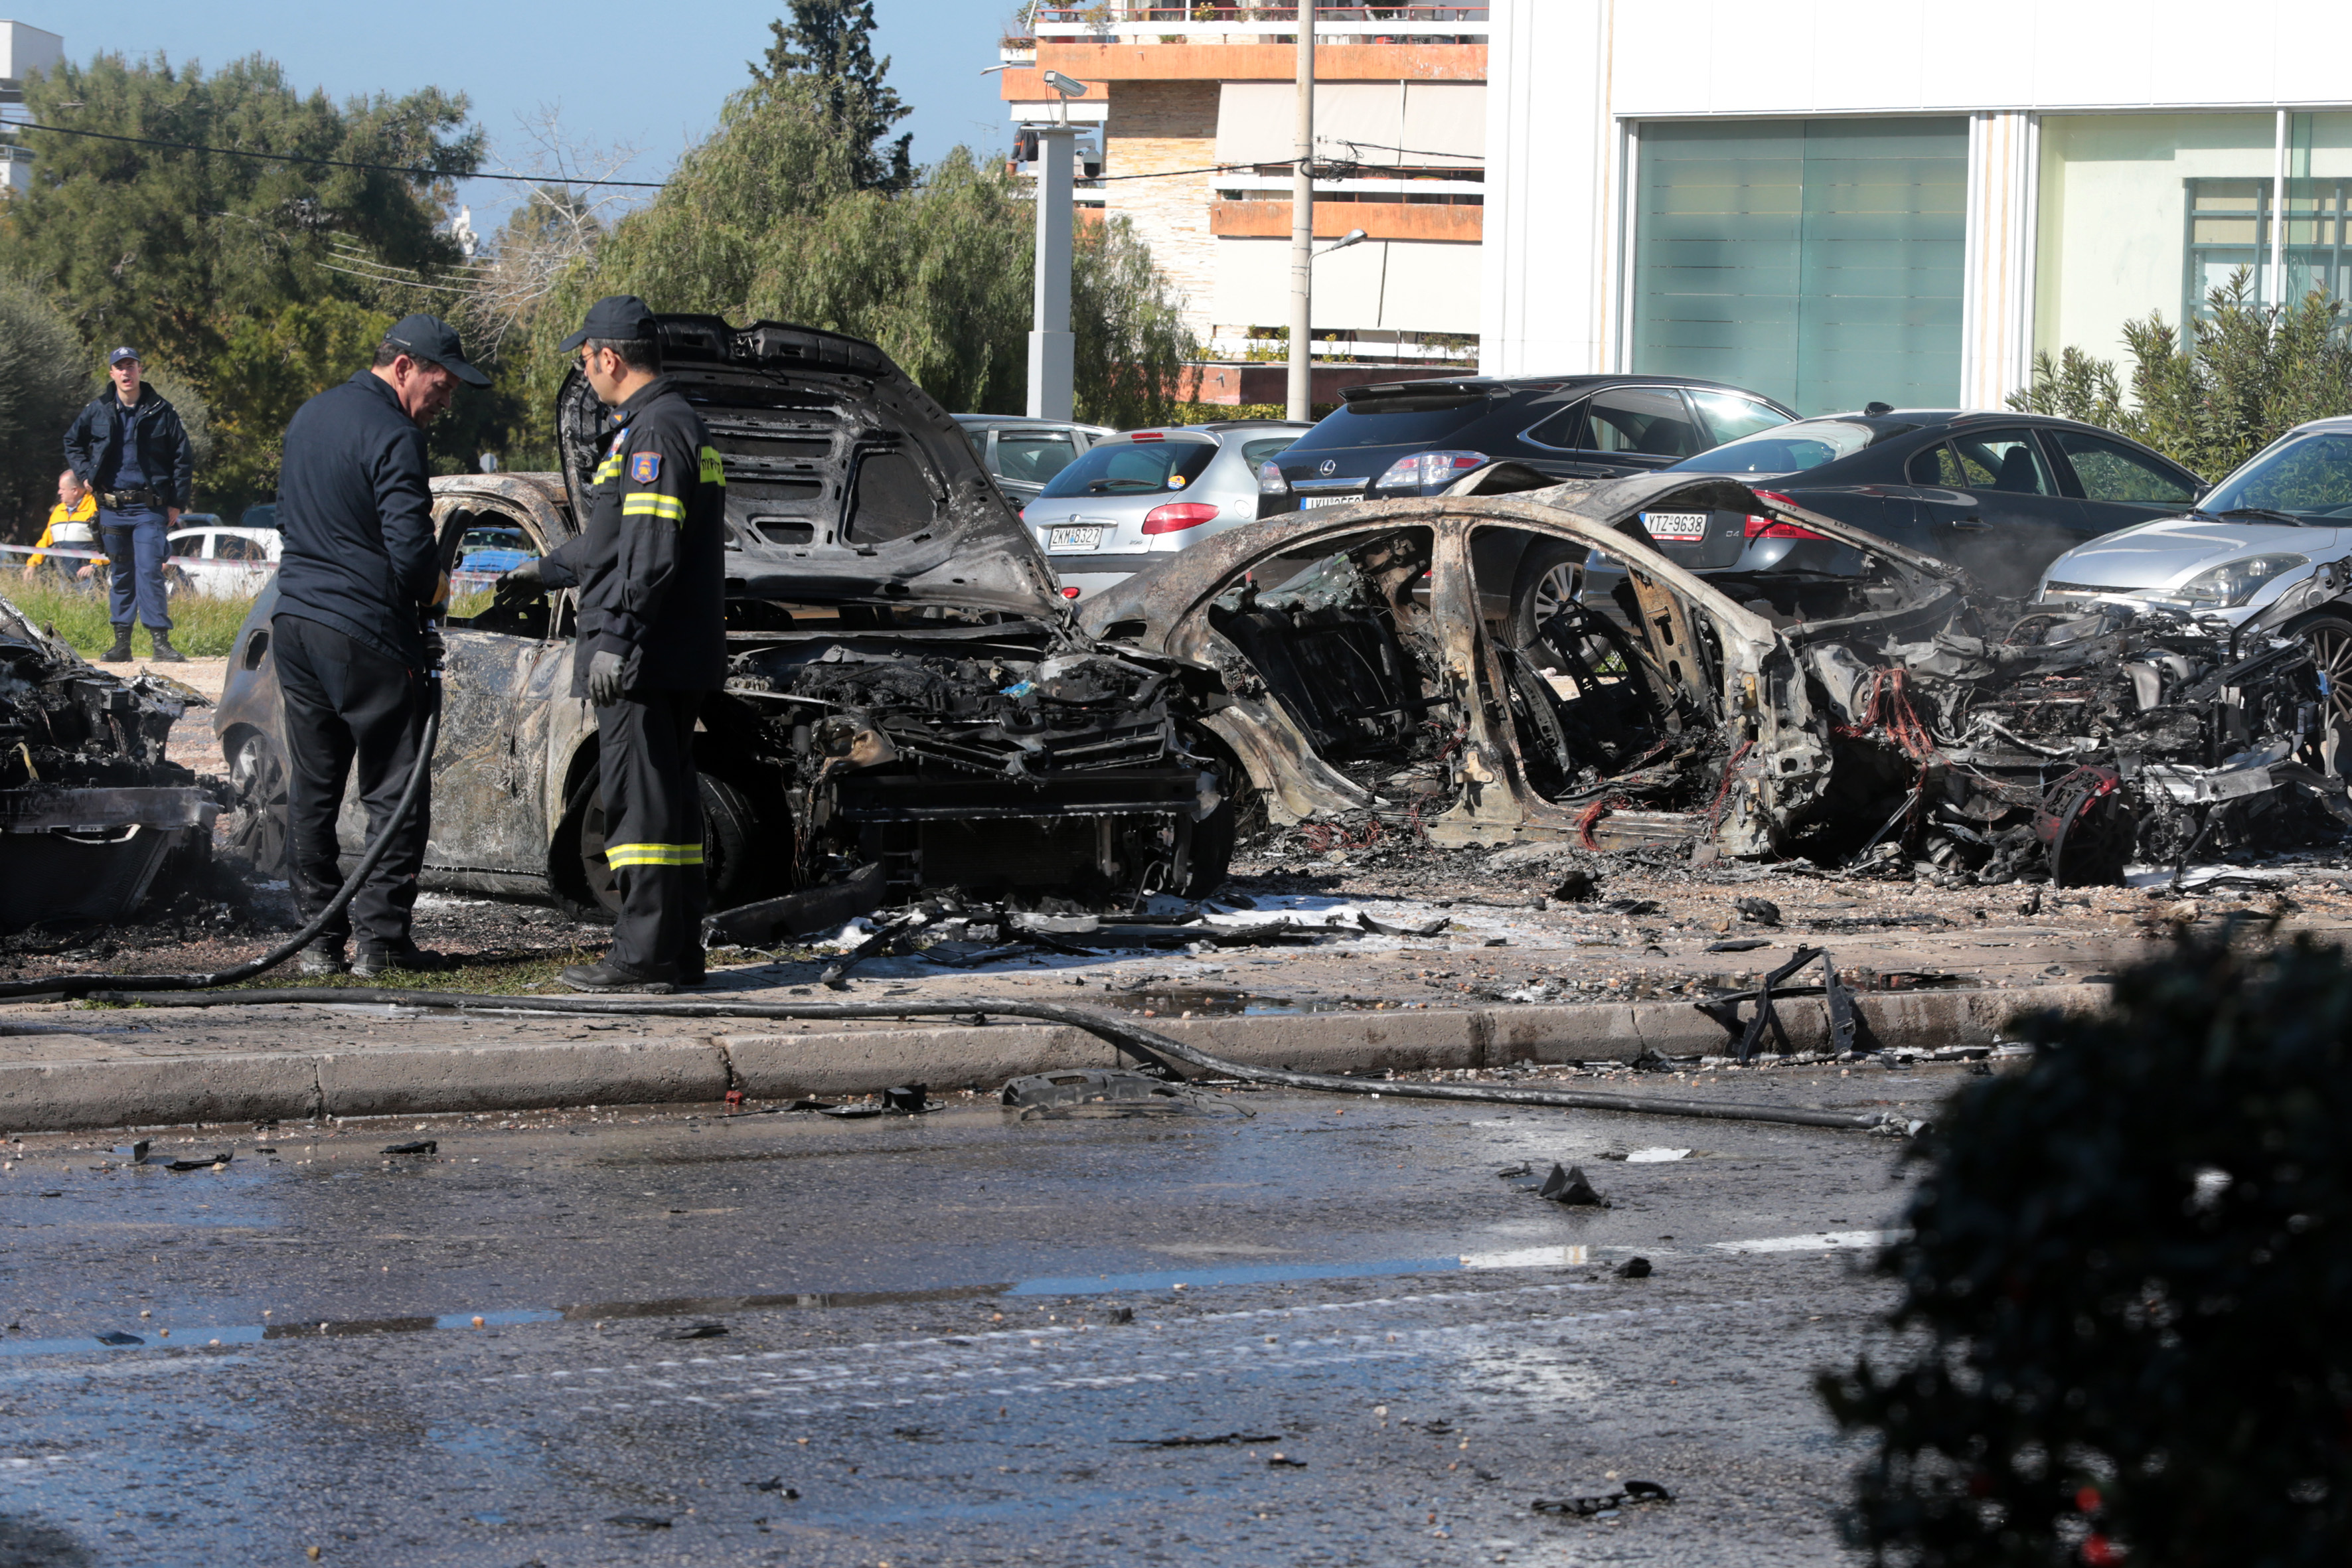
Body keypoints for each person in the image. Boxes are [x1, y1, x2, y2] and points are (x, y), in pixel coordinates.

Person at [499, 295, 726, 992]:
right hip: (663, 651)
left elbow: (652, 552)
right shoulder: (662, 427)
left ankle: (642, 956)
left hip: (644, 655)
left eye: (585, 359)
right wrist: (542, 571)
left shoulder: (656, 432)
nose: (585, 372)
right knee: (669, 803)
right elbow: (611, 541)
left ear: (610, 357)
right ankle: (678, 954)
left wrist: (618, 638)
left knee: (640, 805)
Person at [272, 315, 489, 979]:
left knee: (312, 788)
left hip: (296, 623)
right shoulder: (395, 432)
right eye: (441, 384)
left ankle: (316, 941)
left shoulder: (309, 415)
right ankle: (382, 941)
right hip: (364, 633)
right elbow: (411, 553)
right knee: (394, 791)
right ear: (403, 367)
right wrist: (434, 585)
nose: (445, 401)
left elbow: (291, 519)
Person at [63, 347, 196, 663]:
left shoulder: (162, 410)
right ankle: (121, 644)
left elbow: (183, 457)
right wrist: (84, 475)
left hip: (150, 509)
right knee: (121, 574)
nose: (126, 372)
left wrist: (177, 502)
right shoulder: (97, 410)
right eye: (120, 367)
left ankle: (160, 644)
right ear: (111, 373)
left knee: (150, 570)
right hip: (111, 508)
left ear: (140, 370)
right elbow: (72, 441)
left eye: (131, 366)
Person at [23, 469, 98, 583]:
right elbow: (46, 541)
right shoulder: (58, 511)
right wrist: (32, 564)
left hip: (90, 579)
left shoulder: (96, 508)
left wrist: (94, 566)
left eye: (62, 489)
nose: (59, 492)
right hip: (63, 579)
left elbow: (108, 542)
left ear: (75, 491)